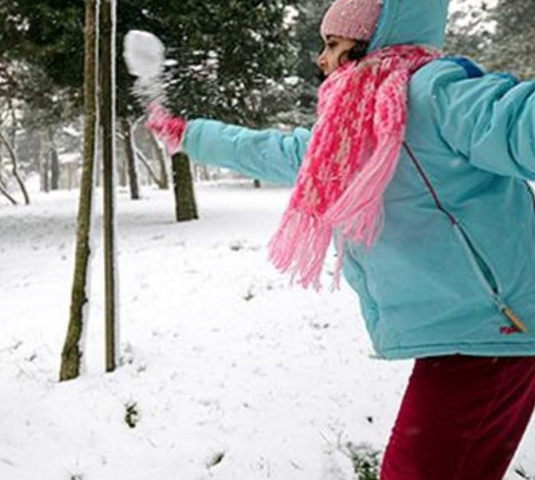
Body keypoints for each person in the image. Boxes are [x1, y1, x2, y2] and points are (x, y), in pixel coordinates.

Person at [146, 0, 535, 478]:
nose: (322, 59)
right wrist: (192, 136)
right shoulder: (349, 128)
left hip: (494, 330)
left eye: (332, 44)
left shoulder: (436, 94)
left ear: (371, 42)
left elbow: (516, 121)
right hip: (467, 336)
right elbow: (276, 150)